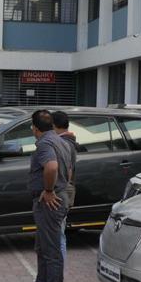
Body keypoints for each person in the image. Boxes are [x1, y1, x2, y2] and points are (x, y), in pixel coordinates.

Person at [20, 110, 72, 282]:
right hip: (56, 199)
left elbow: (51, 167)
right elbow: (68, 172)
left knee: (51, 252)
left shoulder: (44, 144)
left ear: (35, 127)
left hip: (50, 203)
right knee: (42, 248)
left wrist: (49, 190)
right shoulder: (61, 141)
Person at [51, 111, 78, 264]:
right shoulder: (69, 141)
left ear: (54, 125)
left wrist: (52, 190)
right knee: (58, 232)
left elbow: (66, 172)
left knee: (58, 235)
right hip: (65, 191)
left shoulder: (64, 144)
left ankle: (57, 273)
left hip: (61, 191)